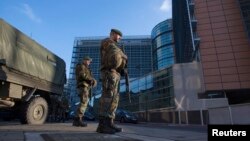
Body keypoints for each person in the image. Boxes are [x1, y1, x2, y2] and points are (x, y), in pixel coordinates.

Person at [96, 29, 127, 134]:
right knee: (107, 98)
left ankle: (110, 122)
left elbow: (117, 59)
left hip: (115, 74)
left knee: (114, 99)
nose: (120, 38)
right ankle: (102, 125)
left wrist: (122, 68)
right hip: (108, 74)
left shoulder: (115, 46)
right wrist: (123, 55)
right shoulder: (107, 42)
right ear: (113, 34)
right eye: (119, 36)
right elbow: (115, 54)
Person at [72, 56, 97, 127]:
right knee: (84, 102)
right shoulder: (81, 66)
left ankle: (77, 120)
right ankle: (78, 119)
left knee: (84, 102)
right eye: (88, 61)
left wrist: (93, 81)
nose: (89, 62)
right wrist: (92, 80)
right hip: (83, 86)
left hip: (85, 86)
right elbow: (82, 75)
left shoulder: (86, 68)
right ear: (84, 60)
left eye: (89, 61)